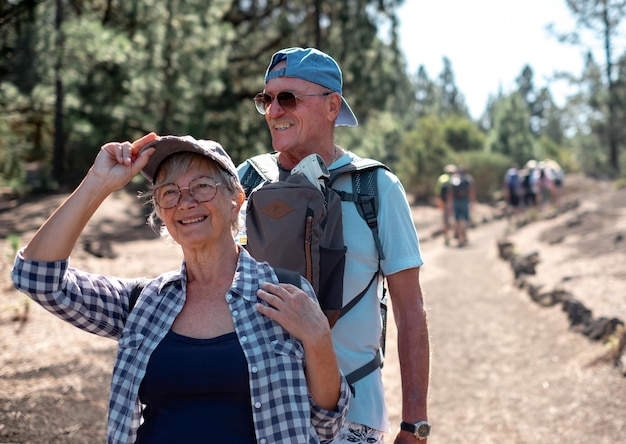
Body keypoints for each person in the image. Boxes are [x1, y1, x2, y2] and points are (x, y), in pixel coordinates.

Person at [11, 133, 350, 444]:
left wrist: (318, 338)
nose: (185, 202)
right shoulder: (142, 304)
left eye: (202, 186)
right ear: (160, 211)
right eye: (169, 192)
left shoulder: (284, 293)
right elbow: (36, 276)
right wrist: (96, 184)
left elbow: (326, 424)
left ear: (236, 200)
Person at [238, 47, 430, 443]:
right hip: (254, 411)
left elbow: (410, 311)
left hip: (351, 421)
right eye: (266, 99)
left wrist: (415, 424)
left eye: (288, 98)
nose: (274, 111)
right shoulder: (247, 180)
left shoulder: (376, 187)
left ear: (332, 106)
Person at [449, 165, 475, 247]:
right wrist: (472, 202)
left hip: (456, 202)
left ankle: (459, 237)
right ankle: (464, 236)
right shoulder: (467, 179)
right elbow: (471, 191)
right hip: (464, 201)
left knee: (457, 220)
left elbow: (450, 191)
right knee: (465, 219)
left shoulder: (454, 179)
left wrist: (450, 203)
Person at [435, 164, 456, 246]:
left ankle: (446, 237)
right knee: (453, 218)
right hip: (452, 202)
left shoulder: (441, 178)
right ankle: (454, 235)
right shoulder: (454, 179)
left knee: (445, 219)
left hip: (442, 201)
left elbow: (437, 191)